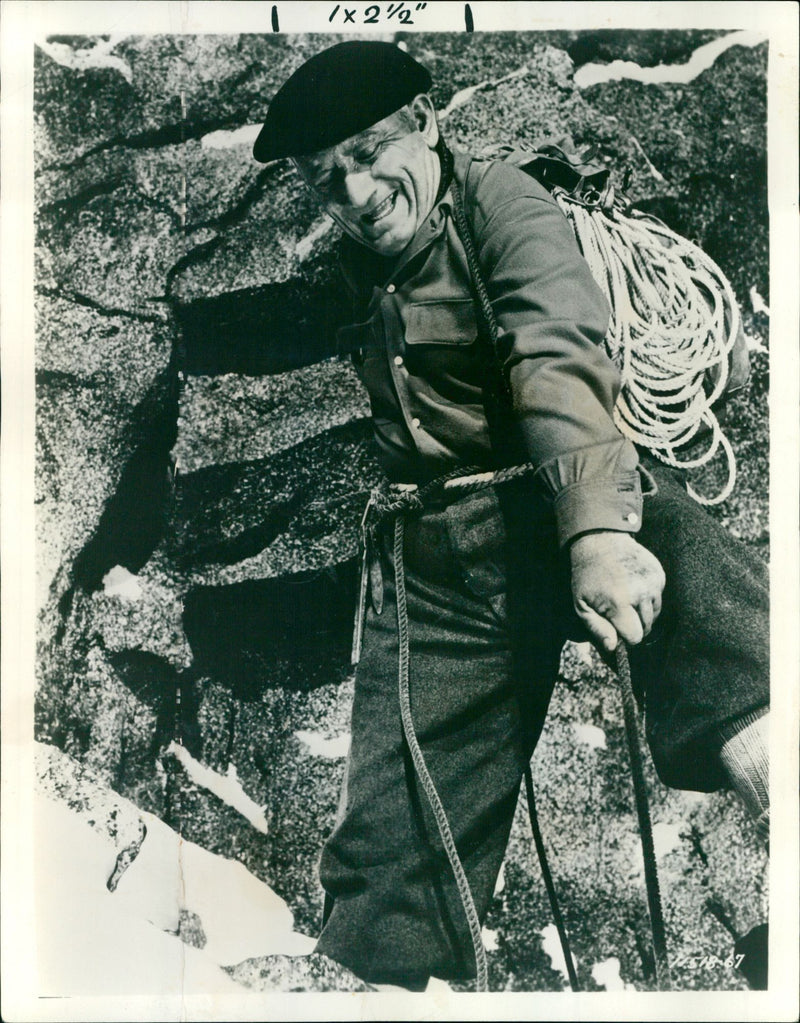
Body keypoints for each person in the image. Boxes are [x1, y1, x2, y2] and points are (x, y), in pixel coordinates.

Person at [252, 40, 770, 990]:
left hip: (556, 500)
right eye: (328, 182)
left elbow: (554, 353)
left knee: (724, 621)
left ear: (429, 124)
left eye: (371, 153)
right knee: (389, 863)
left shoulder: (502, 205)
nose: (358, 195)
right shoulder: (356, 271)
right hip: (443, 557)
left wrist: (599, 535)